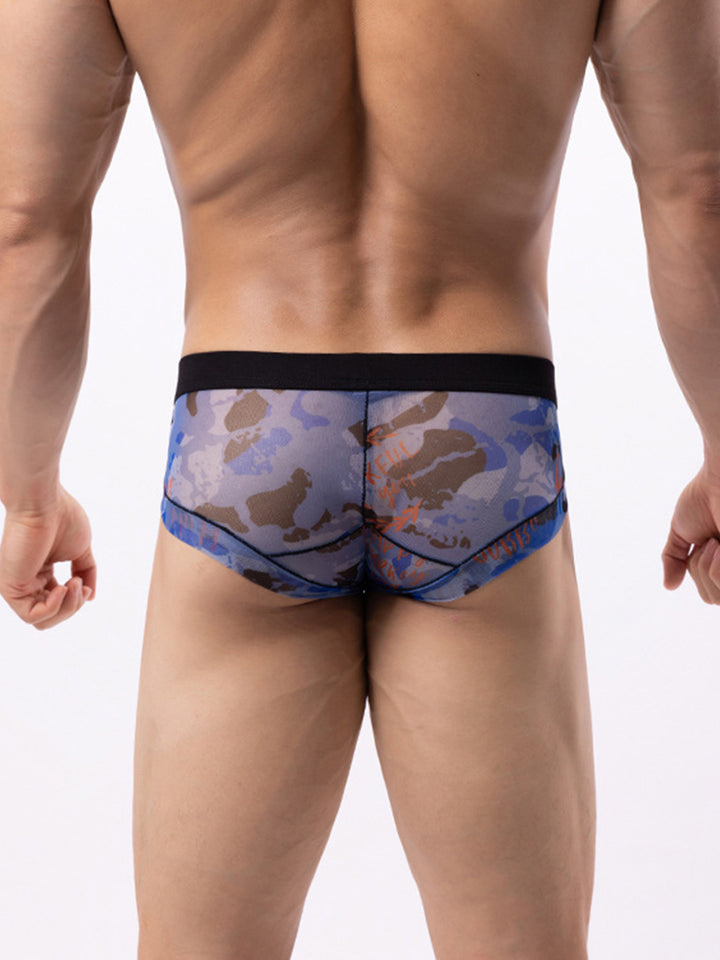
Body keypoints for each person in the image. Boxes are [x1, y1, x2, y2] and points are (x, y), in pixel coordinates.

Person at [0, 0, 718, 957]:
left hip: (248, 428)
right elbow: (696, 186)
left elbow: (26, 219)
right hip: (480, 423)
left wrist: (30, 491)